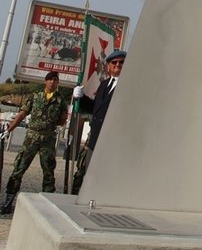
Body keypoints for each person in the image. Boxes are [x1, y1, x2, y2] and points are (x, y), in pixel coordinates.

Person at [0, 71, 68, 214]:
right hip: (32, 137)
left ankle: (46, 205)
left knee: (48, 173)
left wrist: (63, 117)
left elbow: (62, 121)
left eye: (55, 80)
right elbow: (22, 114)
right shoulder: (35, 97)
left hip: (48, 139)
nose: (52, 82)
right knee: (18, 169)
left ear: (57, 83)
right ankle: (8, 201)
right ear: (45, 81)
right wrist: (9, 129)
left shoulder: (61, 101)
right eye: (50, 80)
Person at [71, 49, 126, 194]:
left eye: (122, 62)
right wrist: (81, 97)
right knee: (89, 178)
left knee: (106, 181)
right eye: (114, 62)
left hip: (112, 142)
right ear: (108, 66)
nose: (118, 65)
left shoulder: (129, 86)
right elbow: (95, 108)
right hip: (95, 140)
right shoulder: (104, 84)